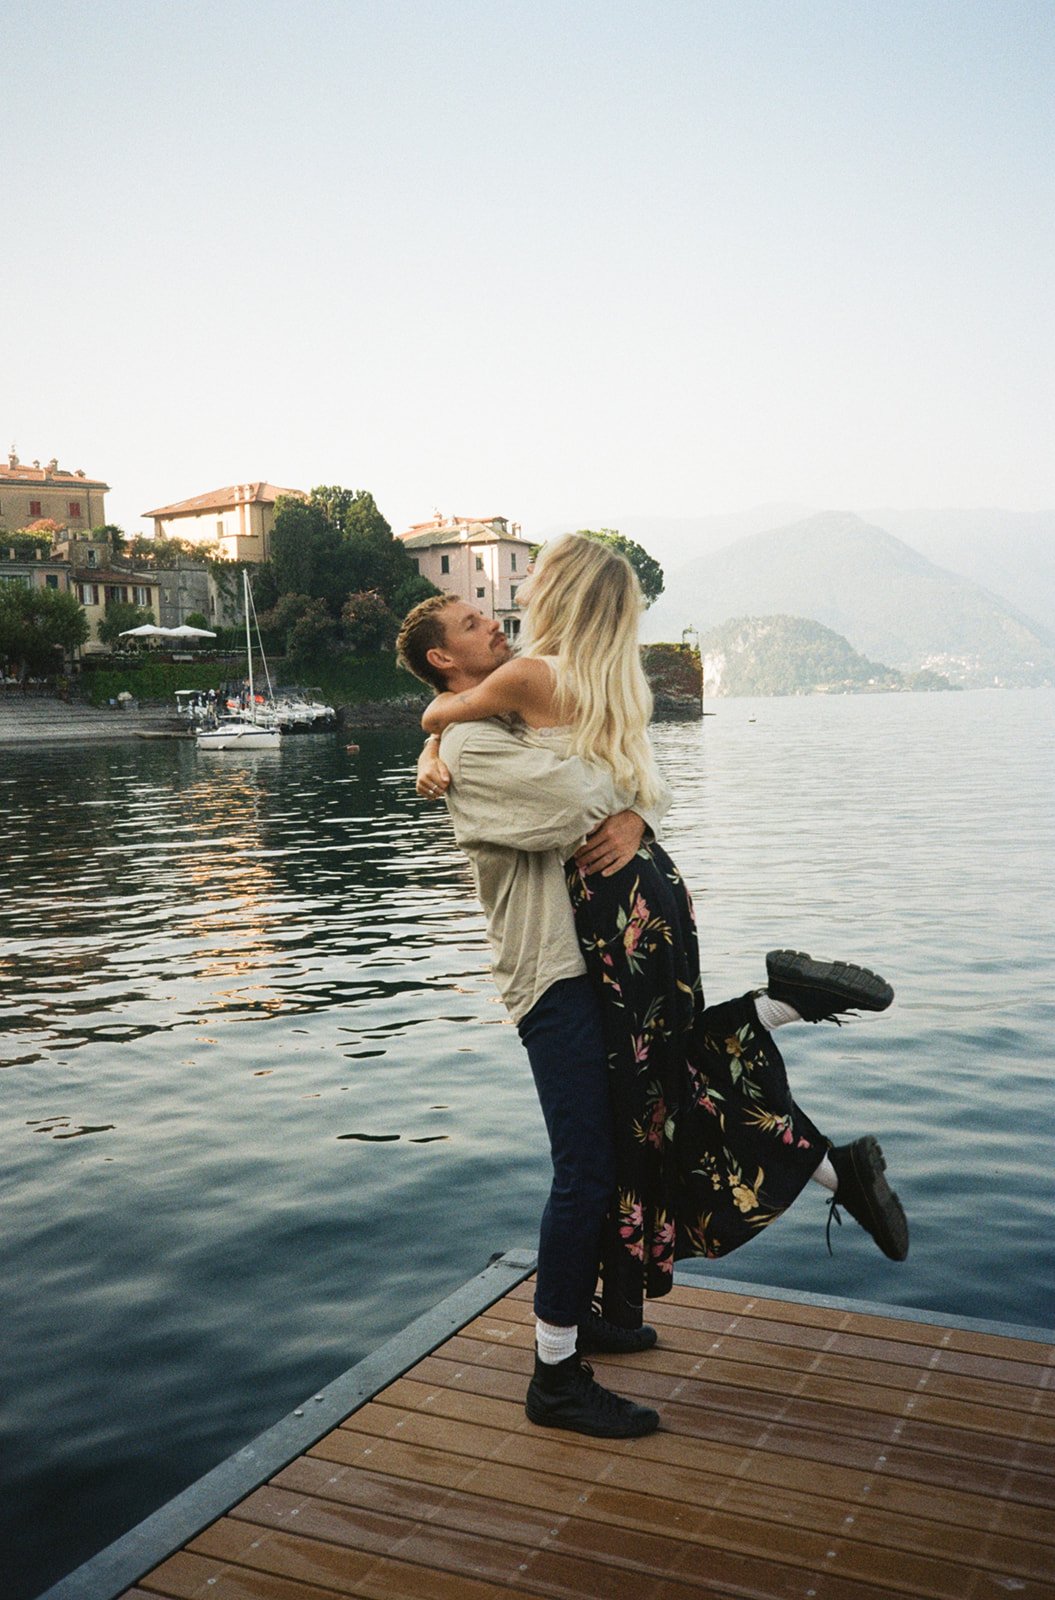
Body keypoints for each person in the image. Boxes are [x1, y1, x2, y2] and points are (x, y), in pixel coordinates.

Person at [396, 557, 907, 1436]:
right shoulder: (476, 745)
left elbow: (610, 790)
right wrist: (628, 805)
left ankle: (594, 1313)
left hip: (601, 963)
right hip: (553, 977)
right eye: (473, 622)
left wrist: (638, 811)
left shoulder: (490, 725)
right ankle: (554, 1378)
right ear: (443, 661)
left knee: (655, 1105)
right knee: (586, 1170)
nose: (494, 623)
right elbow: (577, 805)